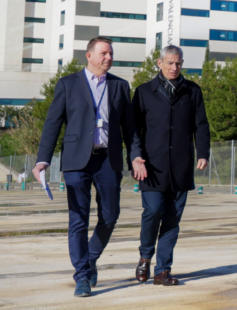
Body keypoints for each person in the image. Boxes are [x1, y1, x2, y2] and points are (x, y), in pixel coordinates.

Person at [31, 37, 146, 297]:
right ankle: (82, 276)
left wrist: (135, 156)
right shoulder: (68, 84)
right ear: (89, 56)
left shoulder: (120, 85)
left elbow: (129, 128)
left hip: (108, 160)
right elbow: (52, 123)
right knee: (78, 219)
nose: (109, 57)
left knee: (110, 216)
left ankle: (91, 257)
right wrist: (43, 160)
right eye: (104, 53)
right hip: (76, 161)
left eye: (111, 53)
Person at [131, 45, 210, 286]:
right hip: (151, 167)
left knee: (172, 220)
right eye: (170, 63)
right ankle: (145, 256)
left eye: (178, 63)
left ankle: (162, 271)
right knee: (153, 211)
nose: (174, 67)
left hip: (181, 166)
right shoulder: (144, 91)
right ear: (159, 63)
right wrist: (135, 157)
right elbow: (134, 130)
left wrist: (203, 152)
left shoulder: (192, 91)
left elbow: (201, 125)